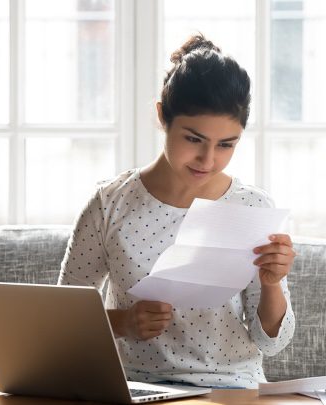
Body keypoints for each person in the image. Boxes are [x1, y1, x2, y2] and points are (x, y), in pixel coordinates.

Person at [57, 34, 296, 389]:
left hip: (230, 387)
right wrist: (123, 323)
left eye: (226, 145)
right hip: (138, 387)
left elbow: (272, 343)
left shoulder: (252, 206)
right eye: (194, 139)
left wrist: (272, 283)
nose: (208, 160)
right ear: (161, 117)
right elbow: (61, 320)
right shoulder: (110, 204)